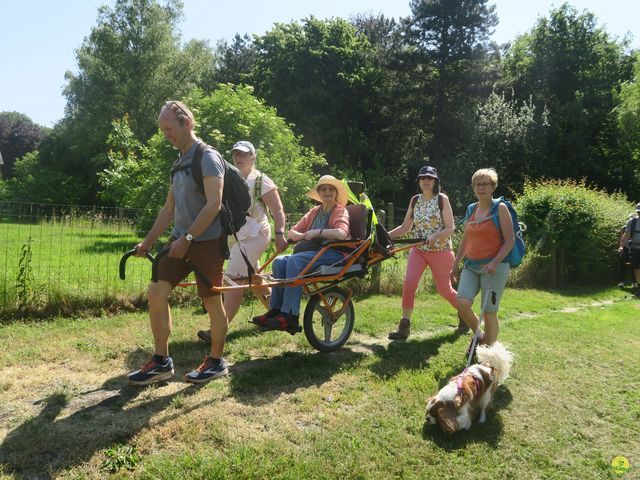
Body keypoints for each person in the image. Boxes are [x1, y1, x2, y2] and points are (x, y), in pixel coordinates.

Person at [127, 100, 229, 385]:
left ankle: (217, 361)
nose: (166, 134)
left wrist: (188, 238)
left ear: (187, 123)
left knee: (211, 301)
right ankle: (161, 361)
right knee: (156, 292)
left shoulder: (207, 157)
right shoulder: (179, 164)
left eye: (169, 128)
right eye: (162, 129)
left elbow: (215, 205)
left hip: (207, 241)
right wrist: (147, 243)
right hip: (180, 240)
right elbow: (168, 209)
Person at [197, 141, 288, 343]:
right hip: (236, 237)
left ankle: (218, 331)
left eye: (244, 155)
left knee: (233, 283)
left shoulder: (261, 181)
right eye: (236, 154)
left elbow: (278, 210)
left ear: (253, 158)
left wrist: (280, 233)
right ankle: (278, 313)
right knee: (255, 281)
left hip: (255, 236)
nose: (239, 158)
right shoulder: (228, 177)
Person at [252, 175, 351, 330]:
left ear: (336, 193)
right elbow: (292, 233)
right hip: (315, 252)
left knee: (294, 261)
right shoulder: (314, 212)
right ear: (319, 193)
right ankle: (276, 310)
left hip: (334, 253)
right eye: (323, 189)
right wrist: (305, 235)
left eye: (331, 189)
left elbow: (341, 234)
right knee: (279, 261)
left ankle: (290, 315)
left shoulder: (340, 211)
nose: (327, 192)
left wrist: (318, 232)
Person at [387, 166, 462, 340]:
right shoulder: (415, 200)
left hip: (441, 250)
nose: (426, 181)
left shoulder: (442, 199)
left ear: (435, 181)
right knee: (409, 284)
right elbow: (406, 227)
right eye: (423, 179)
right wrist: (386, 235)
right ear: (419, 182)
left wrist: (436, 236)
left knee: (445, 290)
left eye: (430, 178)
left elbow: (451, 228)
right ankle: (404, 325)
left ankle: (464, 313)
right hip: (419, 250)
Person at [451, 168, 515, 349]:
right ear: (473, 187)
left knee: (489, 312)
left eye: (485, 184)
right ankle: (480, 336)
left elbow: (510, 240)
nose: (481, 187)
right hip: (471, 266)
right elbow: (466, 240)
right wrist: (455, 264)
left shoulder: (500, 208)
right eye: (477, 184)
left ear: (493, 187)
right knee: (462, 303)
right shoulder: (472, 208)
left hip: (495, 267)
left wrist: (495, 262)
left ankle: (490, 353)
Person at [619, 204, 640, 291]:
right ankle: (639, 286)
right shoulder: (632, 222)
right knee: (636, 267)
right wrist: (621, 246)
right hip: (634, 248)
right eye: (639, 212)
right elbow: (626, 235)